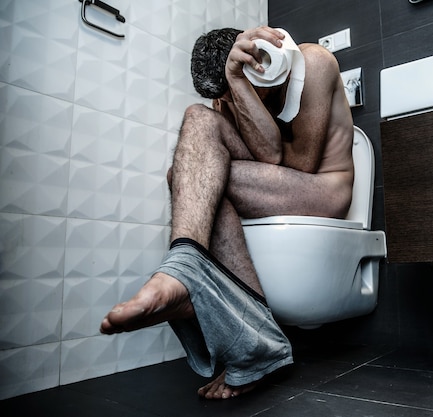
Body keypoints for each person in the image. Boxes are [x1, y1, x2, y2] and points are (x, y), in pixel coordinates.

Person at [99, 26, 354, 400]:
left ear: (257, 65)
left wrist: (239, 85)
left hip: (323, 187)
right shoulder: (229, 95)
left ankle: (243, 332)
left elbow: (299, 162)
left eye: (235, 93)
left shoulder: (312, 63)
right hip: (277, 183)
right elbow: (260, 157)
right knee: (197, 129)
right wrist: (232, 92)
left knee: (200, 178)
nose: (230, 106)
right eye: (227, 98)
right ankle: (189, 271)